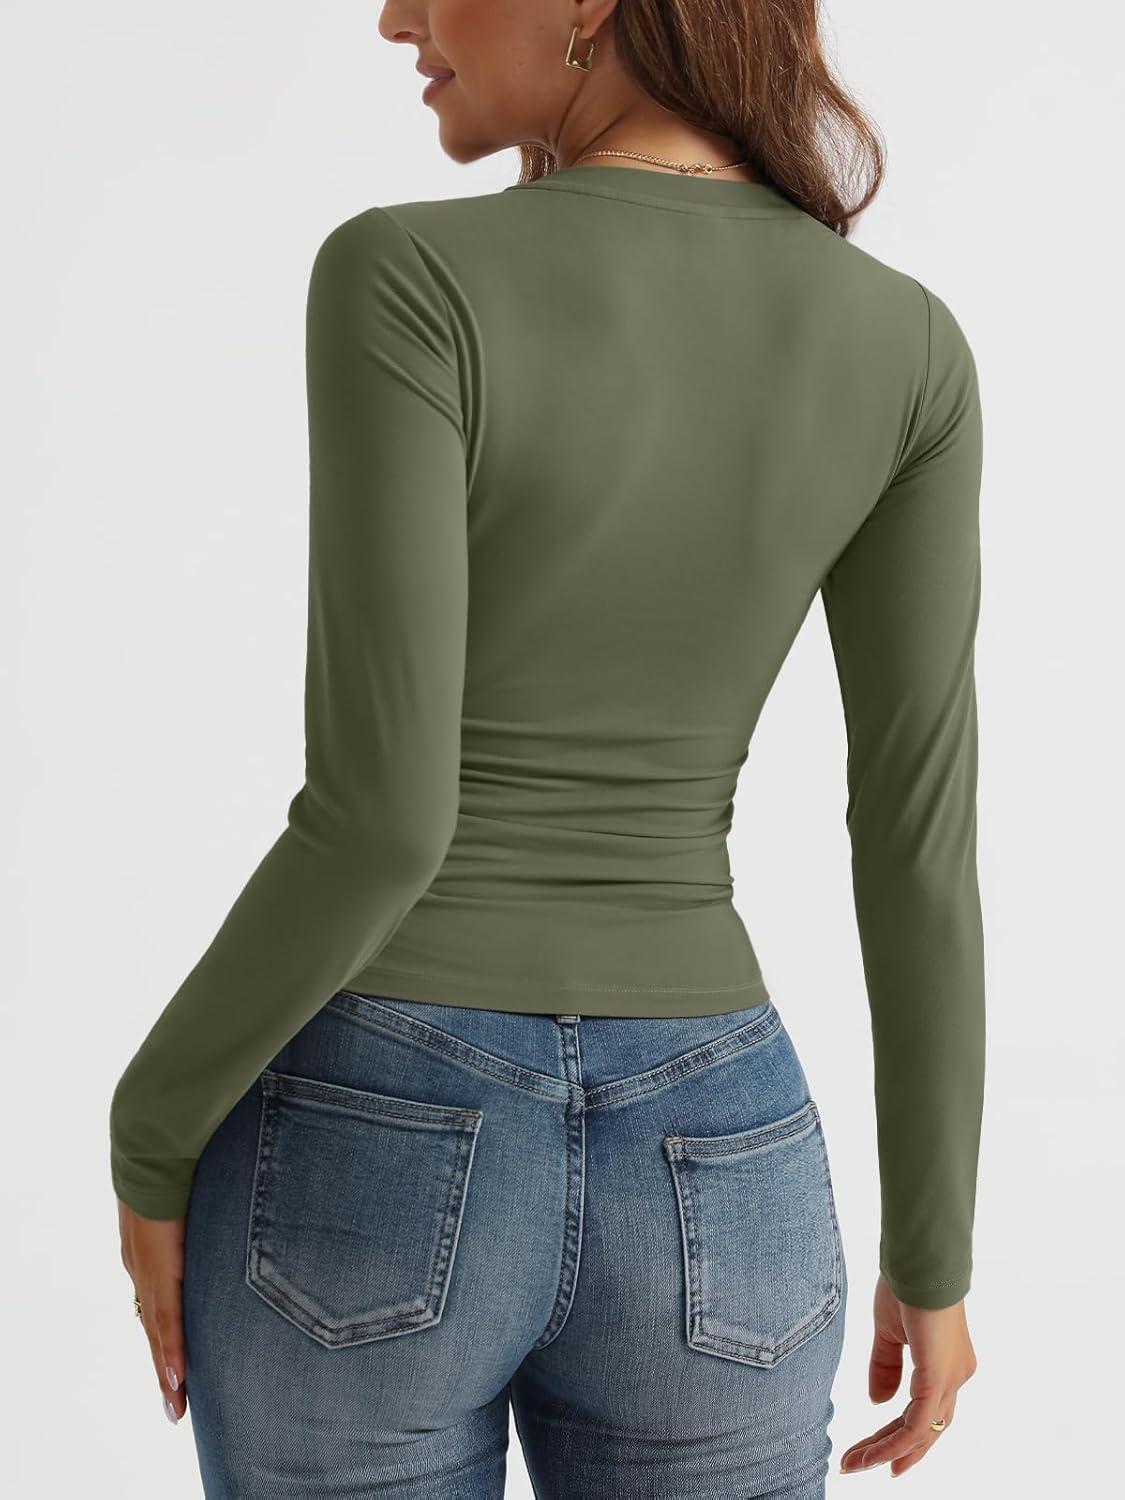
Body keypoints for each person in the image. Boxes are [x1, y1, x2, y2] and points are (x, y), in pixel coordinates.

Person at [110, 1, 984, 1494]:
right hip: (723, 1149)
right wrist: (935, 1250)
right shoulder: (907, 342)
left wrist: (150, 1126)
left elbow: (384, 820)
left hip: (378, 1114)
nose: (394, 15)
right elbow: (918, 841)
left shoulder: (409, 273)